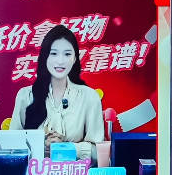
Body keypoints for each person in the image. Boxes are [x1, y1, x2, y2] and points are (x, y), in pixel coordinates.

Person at [9, 24, 104, 159]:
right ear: (45, 57)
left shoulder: (89, 97)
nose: (60, 61)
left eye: (67, 54)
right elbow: (11, 147)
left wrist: (65, 148)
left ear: (75, 58)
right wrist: (41, 145)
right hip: (35, 172)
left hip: (75, 172)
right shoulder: (26, 95)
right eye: (53, 53)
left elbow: (98, 152)